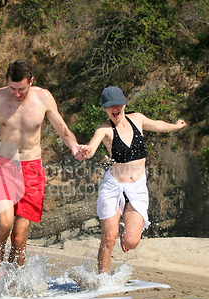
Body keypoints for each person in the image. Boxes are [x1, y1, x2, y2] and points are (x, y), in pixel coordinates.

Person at [0, 60, 81, 269]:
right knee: (5, 221)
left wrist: (74, 146)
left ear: (31, 81)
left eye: (21, 89)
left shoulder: (43, 98)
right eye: (12, 88)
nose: (17, 93)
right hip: (5, 166)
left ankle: (15, 282)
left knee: (19, 237)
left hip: (32, 169)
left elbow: (63, 129)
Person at [76, 86, 187, 274]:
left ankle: (120, 227)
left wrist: (175, 126)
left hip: (137, 188)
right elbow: (93, 146)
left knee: (130, 242)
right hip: (114, 187)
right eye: (110, 106)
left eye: (118, 105)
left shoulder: (137, 119)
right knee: (109, 240)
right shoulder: (105, 129)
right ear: (104, 108)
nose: (115, 109)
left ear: (124, 104)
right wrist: (86, 151)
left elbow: (158, 125)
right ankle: (102, 279)